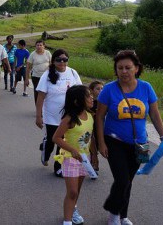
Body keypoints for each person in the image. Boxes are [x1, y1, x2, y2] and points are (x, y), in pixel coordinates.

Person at [96, 50, 163, 225]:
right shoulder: (109, 90)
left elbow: (154, 114)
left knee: (128, 181)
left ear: (136, 68)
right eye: (120, 68)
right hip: (114, 141)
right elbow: (99, 117)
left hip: (139, 143)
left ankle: (123, 215)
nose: (123, 71)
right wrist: (101, 143)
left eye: (128, 67)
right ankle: (113, 213)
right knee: (122, 180)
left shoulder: (146, 87)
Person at [35, 49, 82, 177]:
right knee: (52, 140)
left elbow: (80, 92)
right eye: (59, 60)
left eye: (65, 59)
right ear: (53, 61)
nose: (62, 62)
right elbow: (40, 96)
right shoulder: (47, 75)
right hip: (51, 115)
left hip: (68, 115)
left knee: (62, 140)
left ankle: (58, 167)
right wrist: (38, 116)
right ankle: (45, 152)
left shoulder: (72, 73)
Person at [52, 85, 94, 225]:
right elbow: (56, 138)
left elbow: (90, 137)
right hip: (70, 159)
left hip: (84, 159)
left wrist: (94, 156)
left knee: (77, 190)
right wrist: (73, 150)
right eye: (88, 96)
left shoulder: (90, 116)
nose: (92, 97)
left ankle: (73, 209)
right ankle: (67, 221)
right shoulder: (70, 118)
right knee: (72, 192)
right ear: (77, 101)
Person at [25, 40, 52, 104]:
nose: (39, 46)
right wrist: (27, 79)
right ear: (35, 46)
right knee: (37, 92)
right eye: (37, 45)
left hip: (46, 76)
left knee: (46, 92)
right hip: (36, 76)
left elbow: (52, 63)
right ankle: (38, 108)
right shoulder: (33, 54)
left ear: (44, 46)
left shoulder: (48, 53)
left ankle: (45, 108)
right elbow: (28, 67)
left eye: (41, 45)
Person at [89, 80, 104, 174]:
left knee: (99, 143)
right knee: (91, 143)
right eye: (98, 89)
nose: (100, 91)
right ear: (91, 90)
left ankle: (95, 156)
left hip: (100, 125)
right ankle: (94, 162)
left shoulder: (104, 102)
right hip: (89, 125)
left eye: (102, 89)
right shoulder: (89, 101)